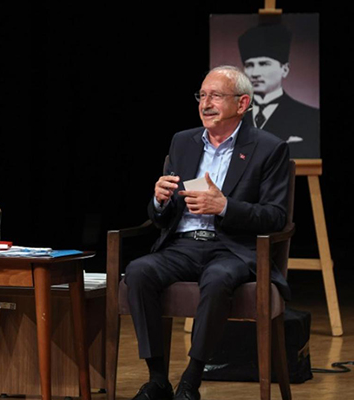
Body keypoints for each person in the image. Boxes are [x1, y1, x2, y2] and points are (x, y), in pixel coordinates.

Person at [124, 65, 291, 400]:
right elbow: (162, 217)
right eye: (202, 95)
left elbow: (276, 216)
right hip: (183, 245)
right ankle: (158, 379)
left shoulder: (269, 148)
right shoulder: (183, 141)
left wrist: (225, 206)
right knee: (138, 271)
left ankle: (190, 381)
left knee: (217, 278)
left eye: (215, 95)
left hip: (233, 249)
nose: (205, 103)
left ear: (242, 104)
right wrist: (159, 201)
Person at [238, 23, 320, 159]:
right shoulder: (233, 117)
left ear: (285, 69)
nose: (255, 73)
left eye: (264, 64)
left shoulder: (310, 117)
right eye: (249, 65)